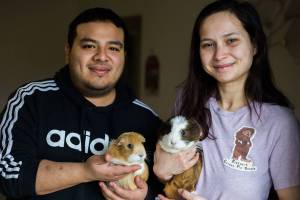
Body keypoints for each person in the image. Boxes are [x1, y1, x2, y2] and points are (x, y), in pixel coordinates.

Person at [0, 7, 162, 200]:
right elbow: (5, 174)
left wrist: (146, 196)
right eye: (89, 46)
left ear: (124, 56)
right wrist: (85, 171)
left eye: (113, 48)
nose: (102, 56)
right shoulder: (31, 99)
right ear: (68, 51)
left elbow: (166, 188)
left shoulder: (146, 118)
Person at [153, 0, 300, 200]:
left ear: (255, 45)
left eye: (231, 40)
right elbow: (178, 179)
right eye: (208, 44)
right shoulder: (187, 101)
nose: (219, 54)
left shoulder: (280, 122)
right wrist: (161, 174)